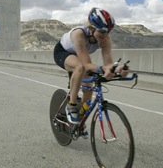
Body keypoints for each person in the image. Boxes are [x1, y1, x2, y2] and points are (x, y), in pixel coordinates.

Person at [53, 7, 129, 137]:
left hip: (81, 58)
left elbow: (108, 63)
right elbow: (86, 65)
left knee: (88, 92)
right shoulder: (79, 34)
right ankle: (71, 105)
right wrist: (102, 69)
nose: (104, 35)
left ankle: (79, 124)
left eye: (108, 32)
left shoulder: (105, 39)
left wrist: (117, 68)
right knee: (80, 67)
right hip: (63, 52)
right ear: (92, 27)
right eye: (102, 32)